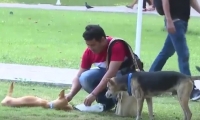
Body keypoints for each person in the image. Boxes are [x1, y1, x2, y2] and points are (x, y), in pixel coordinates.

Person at [64, 24, 143, 111]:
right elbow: (79, 76)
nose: (90, 48)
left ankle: (118, 100)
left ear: (102, 40)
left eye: (93, 45)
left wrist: (94, 94)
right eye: (88, 45)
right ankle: (106, 103)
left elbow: (111, 73)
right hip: (111, 78)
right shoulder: (89, 52)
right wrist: (70, 95)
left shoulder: (116, 45)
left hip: (126, 78)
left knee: (113, 76)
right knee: (84, 77)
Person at [150, 0, 200, 101]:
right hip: (175, 21)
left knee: (166, 52)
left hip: (182, 22)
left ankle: (149, 78)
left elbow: (192, 1)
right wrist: (169, 20)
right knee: (183, 54)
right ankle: (190, 89)